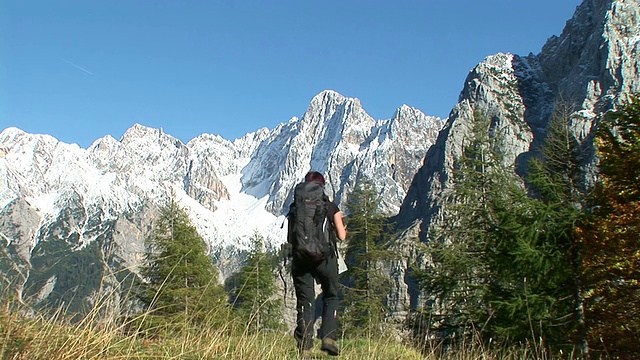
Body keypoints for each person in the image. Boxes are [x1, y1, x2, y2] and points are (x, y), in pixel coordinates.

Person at [288, 171, 347, 357]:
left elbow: (291, 237)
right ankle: (329, 338)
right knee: (331, 296)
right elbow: (342, 236)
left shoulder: (295, 207)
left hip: (300, 260)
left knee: (305, 303)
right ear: (322, 186)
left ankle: (305, 348)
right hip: (325, 259)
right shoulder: (329, 206)